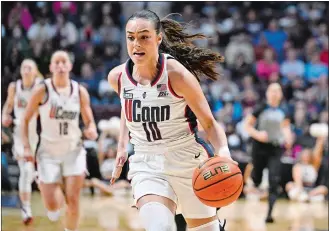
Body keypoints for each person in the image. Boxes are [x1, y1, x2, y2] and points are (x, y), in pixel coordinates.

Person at [108, 10, 237, 231]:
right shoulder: (117, 78)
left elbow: (208, 123)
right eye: (130, 37)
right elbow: (127, 106)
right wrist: (122, 146)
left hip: (188, 160)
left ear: (158, 38)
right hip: (147, 162)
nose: (136, 44)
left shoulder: (176, 74)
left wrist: (224, 151)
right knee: (160, 227)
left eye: (144, 37)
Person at [21, 50, 98, 231]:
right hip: (48, 151)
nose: (61, 66)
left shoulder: (79, 91)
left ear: (70, 66)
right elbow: (25, 120)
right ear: (51, 67)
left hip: (73, 149)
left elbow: (89, 121)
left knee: (73, 199)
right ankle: (49, 190)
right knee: (52, 205)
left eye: (64, 62)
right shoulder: (42, 90)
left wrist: (91, 130)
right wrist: (26, 147)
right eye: (57, 62)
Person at [244, 83, 294, 223]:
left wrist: (288, 137)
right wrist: (258, 134)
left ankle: (270, 214)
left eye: (278, 91)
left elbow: (285, 127)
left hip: (275, 148)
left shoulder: (284, 110)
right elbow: (247, 125)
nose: (275, 93)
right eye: (272, 90)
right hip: (259, 147)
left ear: (281, 95)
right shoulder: (260, 108)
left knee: (274, 180)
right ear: (267, 93)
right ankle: (253, 182)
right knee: (257, 178)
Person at [2, 59, 42, 225]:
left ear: (34, 71)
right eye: (23, 67)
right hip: (20, 135)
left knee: (30, 172)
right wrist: (4, 116)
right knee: (25, 171)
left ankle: (36, 174)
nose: (26, 70)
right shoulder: (14, 87)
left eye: (29, 68)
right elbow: (8, 106)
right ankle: (26, 209)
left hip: (38, 134)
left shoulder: (40, 87)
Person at [285, 136, 328, 202]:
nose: (306, 157)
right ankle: (302, 196)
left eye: (307, 155)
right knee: (289, 185)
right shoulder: (298, 166)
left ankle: (308, 196)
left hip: (311, 189)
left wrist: (320, 141)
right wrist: (300, 190)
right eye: (304, 155)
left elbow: (318, 153)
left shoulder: (314, 166)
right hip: (299, 188)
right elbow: (297, 181)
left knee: (324, 189)